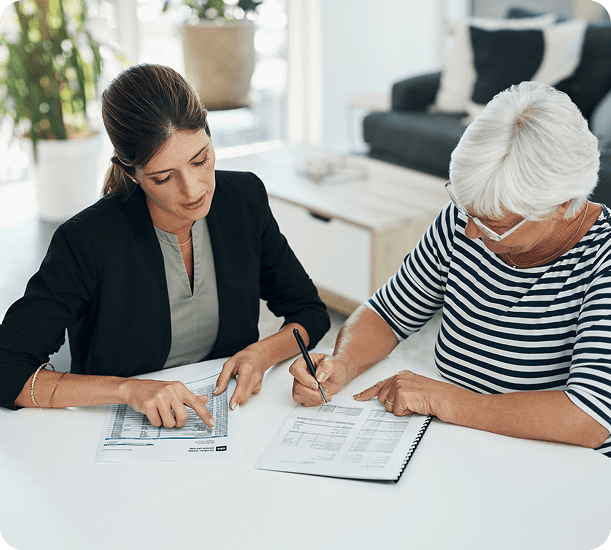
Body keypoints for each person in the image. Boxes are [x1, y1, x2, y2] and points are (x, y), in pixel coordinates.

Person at [0, 63, 330, 429]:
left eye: (200, 159)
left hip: (228, 422)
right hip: (111, 434)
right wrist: (129, 390)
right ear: (130, 173)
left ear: (208, 128)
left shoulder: (244, 200)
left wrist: (262, 353)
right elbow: (7, 367)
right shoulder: (87, 240)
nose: (194, 190)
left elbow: (309, 311)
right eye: (163, 177)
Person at [290, 81, 611, 456]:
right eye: (468, 209)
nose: (471, 232)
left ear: (563, 203)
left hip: (563, 468)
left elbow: (590, 417)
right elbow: (387, 313)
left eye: (495, 224)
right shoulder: (464, 220)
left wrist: (446, 400)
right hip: (466, 445)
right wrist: (342, 364)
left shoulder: (601, 260)